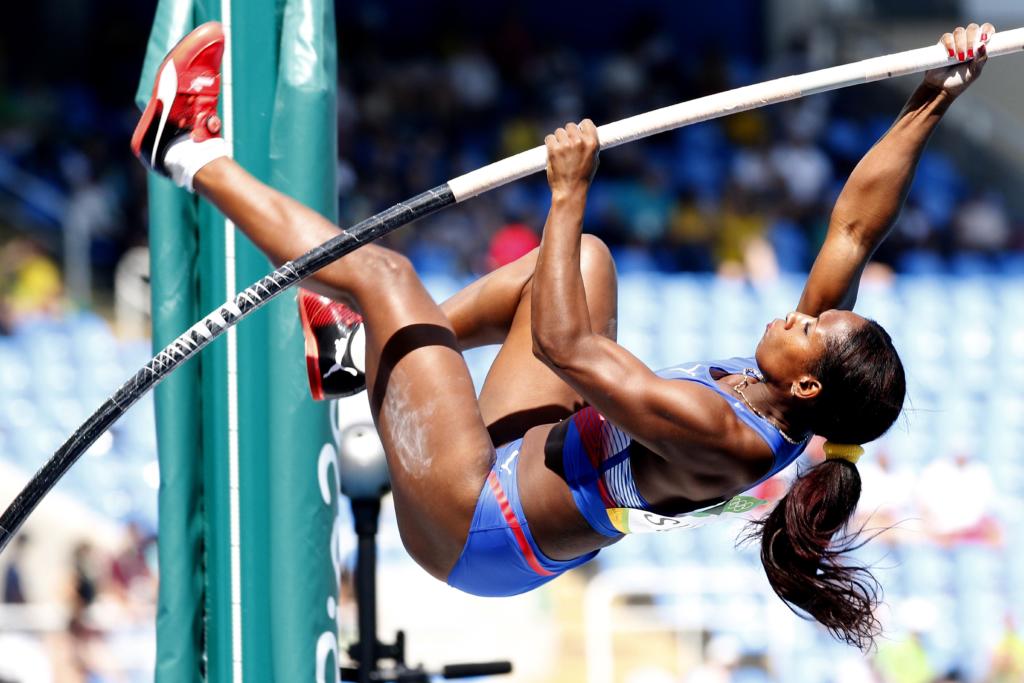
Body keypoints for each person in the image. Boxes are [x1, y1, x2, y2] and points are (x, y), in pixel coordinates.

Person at [133, 21, 992, 650]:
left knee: (387, 277)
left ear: (808, 385)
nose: (796, 313)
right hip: (527, 454)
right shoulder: (797, 382)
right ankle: (356, 358)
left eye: (810, 326)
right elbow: (852, 229)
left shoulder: (727, 436)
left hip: (477, 525)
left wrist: (567, 187)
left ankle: (183, 149)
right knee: (584, 262)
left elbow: (566, 349)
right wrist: (935, 95)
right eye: (814, 309)